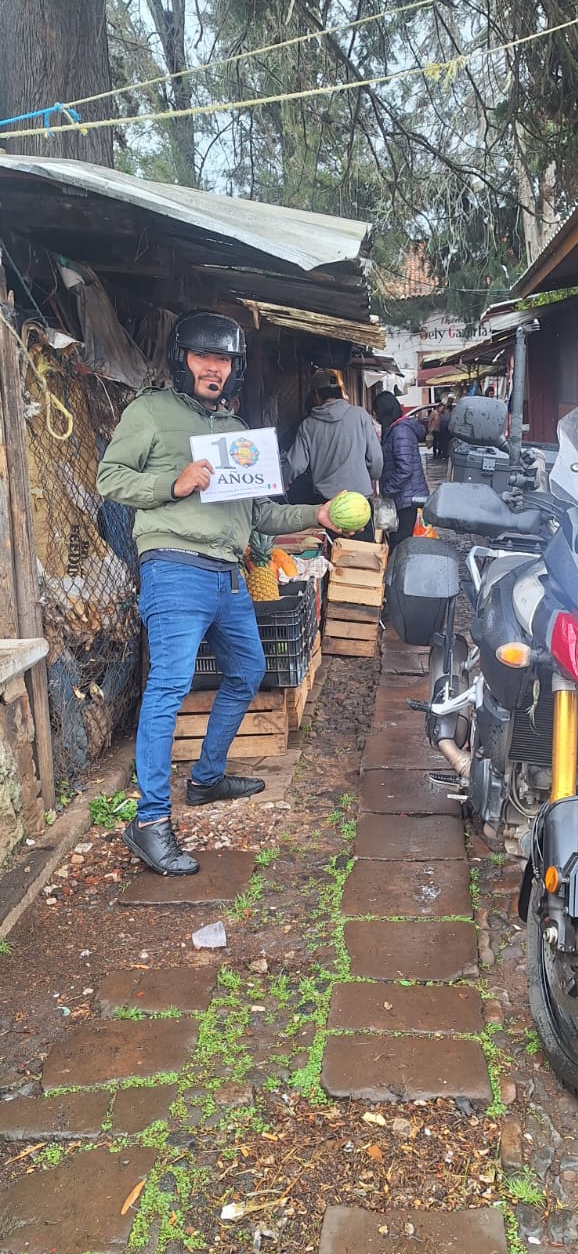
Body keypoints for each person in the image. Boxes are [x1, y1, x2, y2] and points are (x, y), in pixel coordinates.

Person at [97, 312, 339, 879]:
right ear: (182, 360)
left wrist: (318, 512)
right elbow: (109, 478)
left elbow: (262, 514)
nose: (213, 367)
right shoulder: (150, 412)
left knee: (249, 669)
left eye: (223, 359)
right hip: (175, 567)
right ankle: (151, 820)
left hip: (229, 573)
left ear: (233, 368)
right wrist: (173, 482)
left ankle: (206, 779)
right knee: (171, 686)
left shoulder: (235, 428)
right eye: (203, 357)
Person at [283, 367, 383, 540]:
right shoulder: (360, 416)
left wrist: (284, 481)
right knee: (364, 558)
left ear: (316, 395)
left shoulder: (308, 425)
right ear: (339, 391)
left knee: (330, 559)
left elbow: (296, 464)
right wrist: (372, 476)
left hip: (327, 506)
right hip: (360, 503)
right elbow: (376, 460)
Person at [372, 391, 428, 548]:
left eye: (375, 411)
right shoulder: (394, 429)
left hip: (408, 499)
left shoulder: (400, 431)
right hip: (405, 497)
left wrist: (388, 490)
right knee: (400, 541)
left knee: (401, 543)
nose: (374, 415)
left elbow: (405, 469)